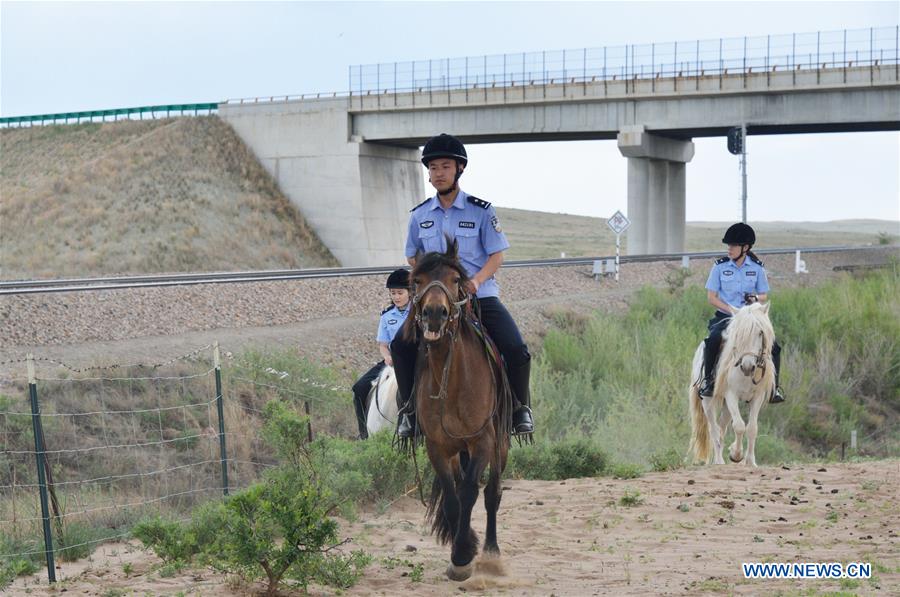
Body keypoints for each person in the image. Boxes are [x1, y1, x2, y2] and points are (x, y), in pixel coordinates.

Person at [391, 133, 534, 439]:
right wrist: (425, 285)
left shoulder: (481, 211)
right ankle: (410, 413)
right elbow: (411, 255)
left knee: (517, 349)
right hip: (434, 302)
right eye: (433, 167)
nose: (438, 172)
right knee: (400, 346)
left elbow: (497, 255)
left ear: (459, 169)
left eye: (445, 166)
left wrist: (476, 281)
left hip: (479, 297)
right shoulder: (419, 216)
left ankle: (520, 408)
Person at [699, 222, 785, 403]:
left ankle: (774, 388)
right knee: (713, 339)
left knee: (774, 345)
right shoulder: (720, 267)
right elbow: (711, 298)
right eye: (728, 245)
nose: (729, 249)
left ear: (745, 248)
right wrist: (731, 310)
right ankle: (708, 381)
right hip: (726, 317)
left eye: (733, 245)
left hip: (751, 317)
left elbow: (763, 295)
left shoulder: (757, 267)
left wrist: (755, 298)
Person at [351, 268, 411, 439]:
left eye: (400, 293)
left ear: (410, 292)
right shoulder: (387, 316)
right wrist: (387, 356)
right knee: (359, 388)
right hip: (392, 360)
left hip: (413, 361)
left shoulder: (418, 313)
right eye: (393, 293)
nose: (396, 297)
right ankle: (364, 433)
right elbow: (383, 344)